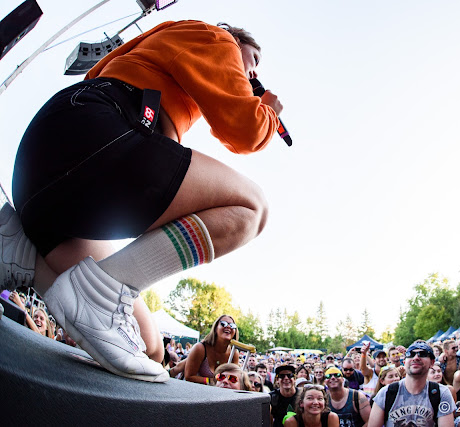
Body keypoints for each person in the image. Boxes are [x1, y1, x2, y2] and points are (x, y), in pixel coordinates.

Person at [1, 20, 282, 383]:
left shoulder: (159, 49)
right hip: (101, 134)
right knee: (252, 208)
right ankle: (100, 297)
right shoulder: (219, 38)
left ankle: (19, 251)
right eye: (253, 58)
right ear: (237, 41)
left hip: (49, 168)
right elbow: (245, 130)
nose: (254, 71)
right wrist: (269, 112)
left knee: (150, 345)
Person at [369, 341, 456, 427]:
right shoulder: (386, 393)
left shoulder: (441, 393)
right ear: (405, 361)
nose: (416, 358)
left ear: (432, 362)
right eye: (411, 354)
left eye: (422, 354)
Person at [184, 315, 240, 385]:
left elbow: (234, 379)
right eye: (223, 323)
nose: (228, 327)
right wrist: (212, 381)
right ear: (215, 328)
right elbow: (189, 377)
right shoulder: (200, 348)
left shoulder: (234, 353)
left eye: (232, 325)